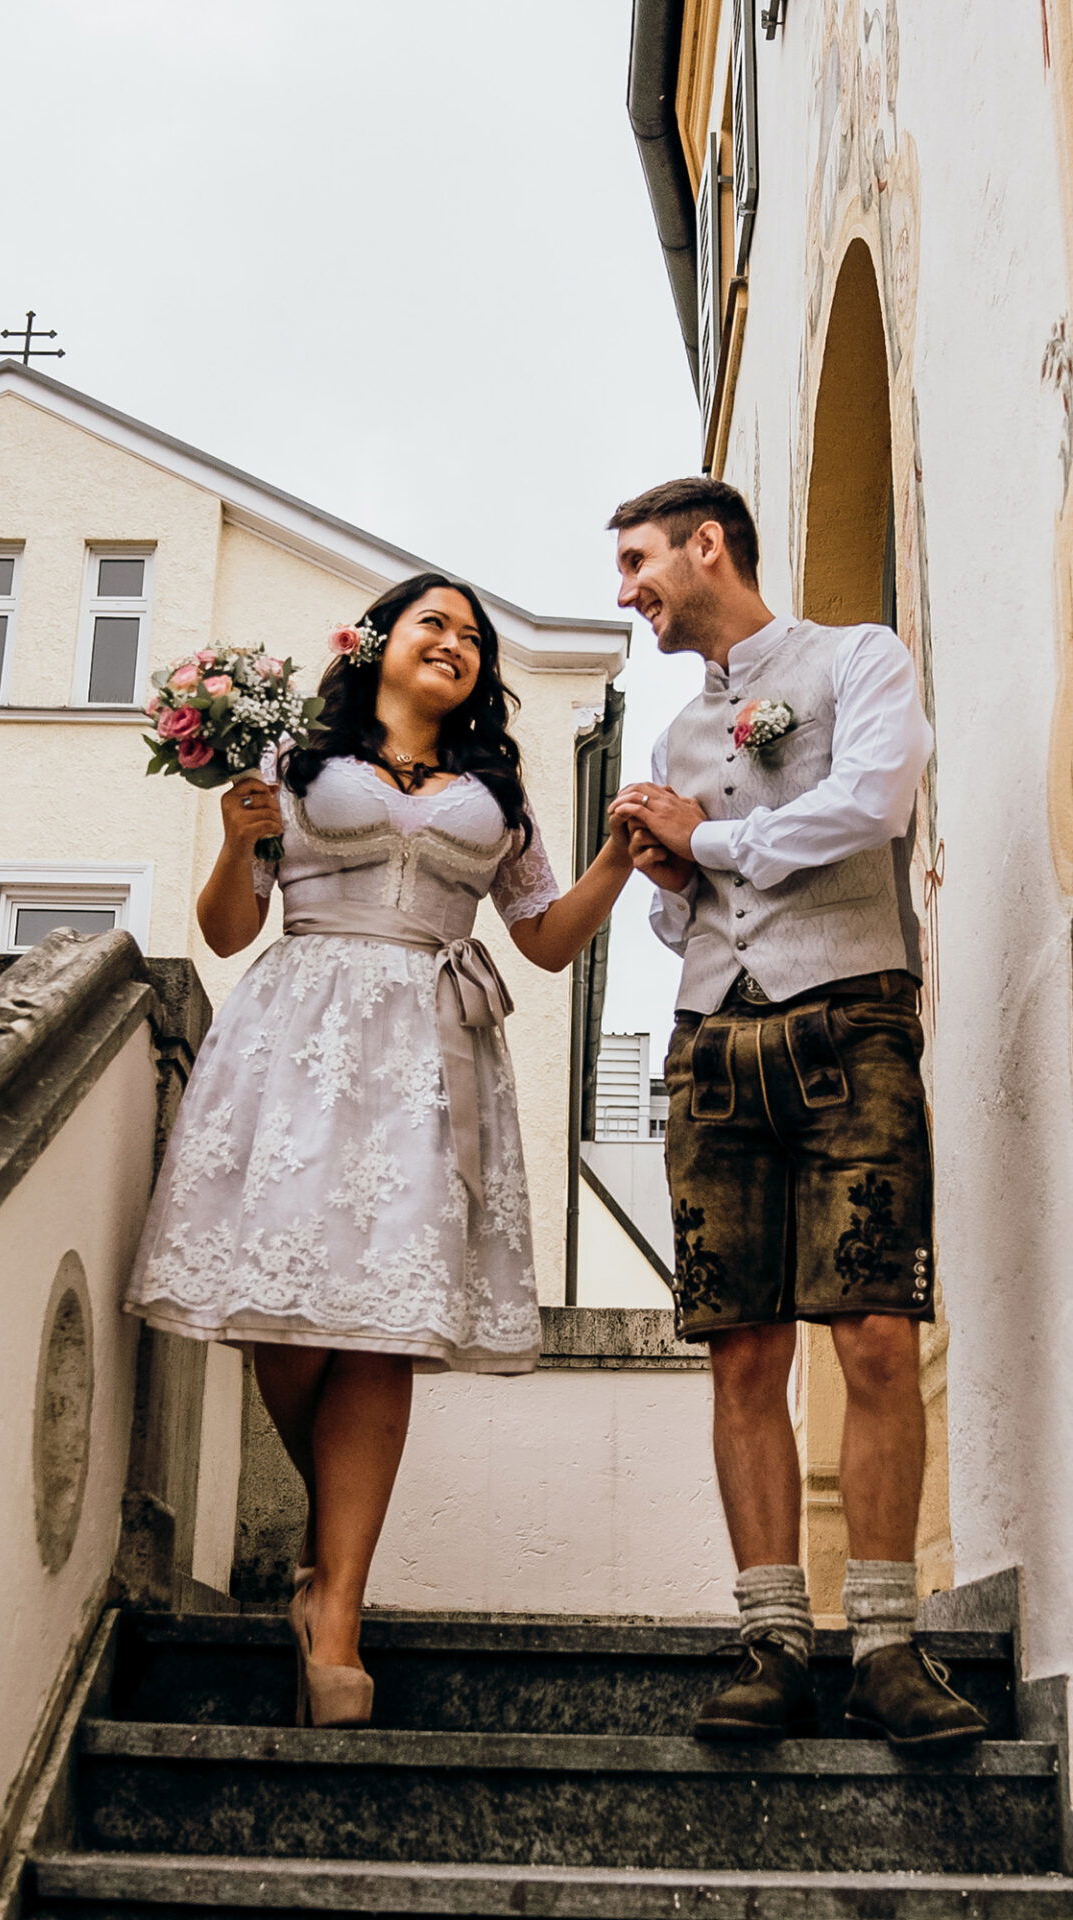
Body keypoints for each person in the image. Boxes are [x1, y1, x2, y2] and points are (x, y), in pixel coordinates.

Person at [125, 572, 634, 1727]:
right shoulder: (293, 763)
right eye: (432, 623)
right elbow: (227, 932)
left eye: (473, 636)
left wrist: (612, 859)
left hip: (434, 1052)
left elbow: (545, 939)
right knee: (287, 1312)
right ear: (376, 644)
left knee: (384, 1330)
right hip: (299, 1038)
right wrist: (235, 844)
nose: (455, 642)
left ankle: (337, 1613)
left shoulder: (498, 791)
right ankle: (329, 1553)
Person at [607, 477, 987, 1751]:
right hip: (712, 1045)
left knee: (876, 1334)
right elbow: (685, 923)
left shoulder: (857, 658)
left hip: (852, 1023)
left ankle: (884, 1645)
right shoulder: (676, 737)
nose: (629, 591)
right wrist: (668, 873)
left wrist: (709, 842)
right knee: (742, 1351)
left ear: (708, 545)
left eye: (639, 562)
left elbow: (875, 802)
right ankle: (773, 1642)